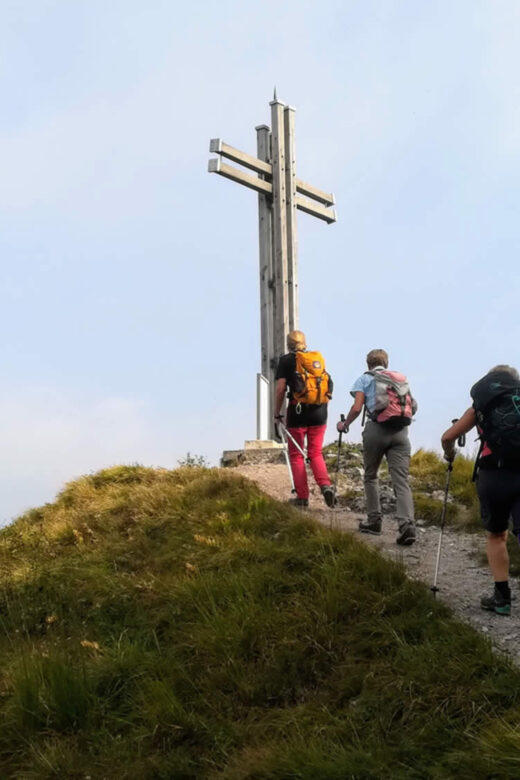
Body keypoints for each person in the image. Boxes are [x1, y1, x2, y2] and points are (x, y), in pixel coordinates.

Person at [441, 364, 520, 616]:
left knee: (497, 535)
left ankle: (502, 599)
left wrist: (449, 453)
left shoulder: (482, 404)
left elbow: (447, 437)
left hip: (492, 475)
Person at [336, 348, 417, 545]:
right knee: (401, 480)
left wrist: (344, 424)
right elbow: (412, 407)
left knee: (371, 475)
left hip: (376, 430)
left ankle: (374, 521)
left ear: (368, 363)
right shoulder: (399, 379)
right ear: (386, 363)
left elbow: (357, 407)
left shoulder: (365, 379)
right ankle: (407, 525)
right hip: (401, 433)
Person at [274, 330, 335, 508]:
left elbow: (280, 389)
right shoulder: (316, 359)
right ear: (304, 343)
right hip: (320, 411)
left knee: (296, 455)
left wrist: (277, 413)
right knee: (315, 453)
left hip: (298, 411)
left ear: (288, 344)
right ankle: (325, 486)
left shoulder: (286, 360)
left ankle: (302, 498)